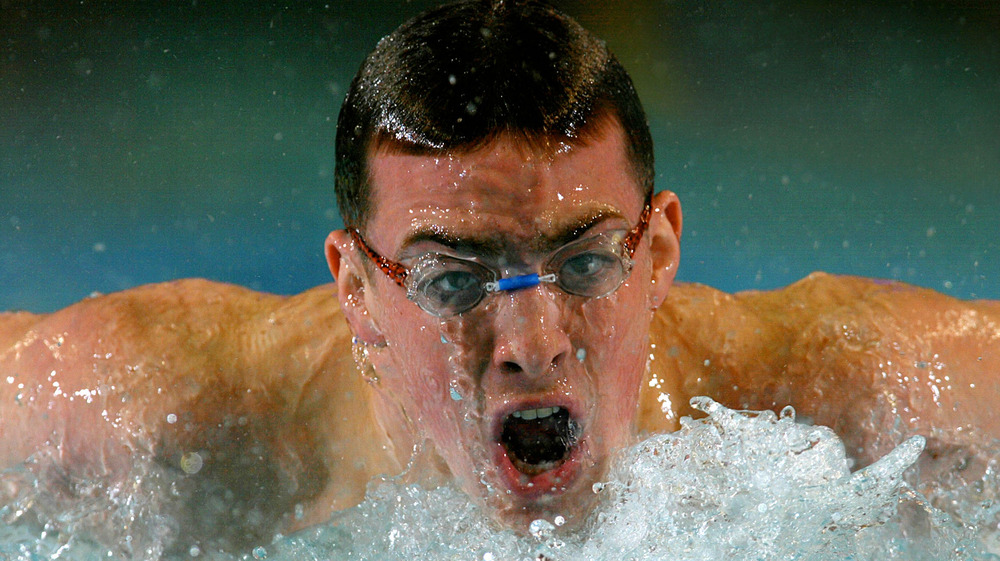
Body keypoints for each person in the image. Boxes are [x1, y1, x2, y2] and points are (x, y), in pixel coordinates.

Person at [1, 0, 997, 556]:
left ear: (657, 253)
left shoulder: (834, 403)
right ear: (356, 288)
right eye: (451, 281)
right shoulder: (159, 415)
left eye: (586, 260)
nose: (529, 341)